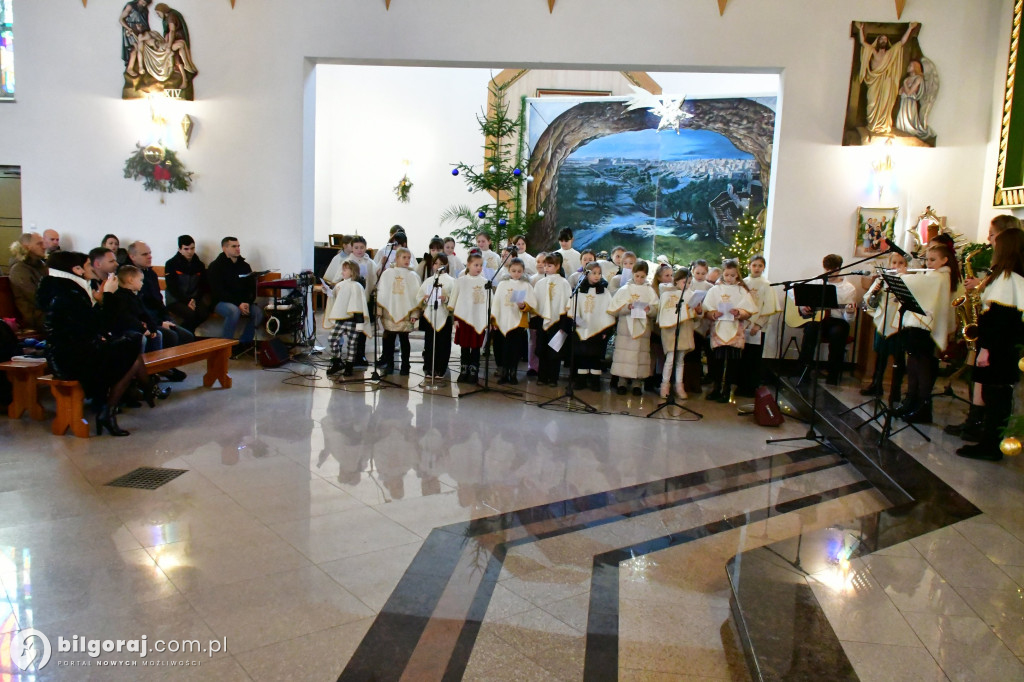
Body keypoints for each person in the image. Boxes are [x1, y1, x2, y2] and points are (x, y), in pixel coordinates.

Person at [36, 251, 163, 436]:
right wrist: (109, 295)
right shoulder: (68, 294)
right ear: (77, 269)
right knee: (131, 349)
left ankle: (115, 407)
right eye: (88, 265)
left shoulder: (67, 288)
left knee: (131, 347)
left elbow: (91, 325)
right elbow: (99, 323)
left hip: (78, 350)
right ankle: (134, 395)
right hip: (70, 359)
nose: (91, 268)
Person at [947, 215, 1023, 439]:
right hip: (997, 344)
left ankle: (987, 438)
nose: (990, 241)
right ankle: (979, 427)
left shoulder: (1009, 278)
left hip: (998, 346)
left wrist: (986, 348)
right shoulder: (1007, 276)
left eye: (993, 237)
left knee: (996, 393)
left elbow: (1000, 318)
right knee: (991, 389)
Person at [895, 242, 959, 423]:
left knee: (922, 366)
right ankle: (911, 399)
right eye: (927, 259)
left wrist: (903, 276)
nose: (928, 263)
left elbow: (918, 284)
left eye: (933, 259)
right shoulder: (935, 275)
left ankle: (922, 406)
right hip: (918, 325)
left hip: (925, 327)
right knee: (914, 364)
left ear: (945, 260)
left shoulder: (941, 276)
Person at [797, 254, 858, 386]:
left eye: (833, 270)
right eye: (827, 269)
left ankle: (833, 375)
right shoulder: (816, 281)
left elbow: (848, 319)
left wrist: (850, 312)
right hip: (818, 319)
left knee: (838, 333)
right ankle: (804, 372)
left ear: (839, 269)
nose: (829, 273)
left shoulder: (848, 288)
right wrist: (802, 306)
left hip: (837, 320)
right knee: (810, 329)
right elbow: (794, 293)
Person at [702, 260, 758, 403]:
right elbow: (707, 309)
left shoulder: (741, 291)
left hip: (734, 330)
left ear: (737, 276)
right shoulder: (715, 290)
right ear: (723, 274)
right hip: (719, 328)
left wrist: (738, 312)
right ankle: (716, 388)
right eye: (727, 275)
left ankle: (727, 390)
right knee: (717, 361)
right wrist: (714, 314)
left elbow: (748, 311)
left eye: (732, 275)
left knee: (732, 362)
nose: (729, 278)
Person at [129, 241, 195, 357]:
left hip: (157, 317)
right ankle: (158, 368)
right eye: (145, 254)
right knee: (170, 335)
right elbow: (140, 308)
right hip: (145, 321)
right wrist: (159, 323)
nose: (150, 257)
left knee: (187, 336)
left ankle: (168, 365)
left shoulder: (150, 273)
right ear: (132, 256)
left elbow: (158, 300)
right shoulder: (130, 277)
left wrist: (167, 318)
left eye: (150, 253)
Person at [855, 21, 920, 136]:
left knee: (885, 104)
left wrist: (910, 28)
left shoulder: (890, 53)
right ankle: (872, 125)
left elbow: (902, 42)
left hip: (886, 83)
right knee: (872, 103)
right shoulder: (874, 52)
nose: (883, 41)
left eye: (885, 39)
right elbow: (862, 42)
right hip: (874, 82)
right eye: (881, 39)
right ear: (878, 41)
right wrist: (860, 29)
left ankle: (883, 126)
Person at [860, 251, 908, 399]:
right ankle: (876, 384)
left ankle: (896, 389)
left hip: (900, 324)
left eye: (901, 263)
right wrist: (875, 293)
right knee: (881, 355)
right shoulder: (882, 279)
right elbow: (870, 301)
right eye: (894, 263)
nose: (897, 266)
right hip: (883, 320)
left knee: (899, 358)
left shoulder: (909, 279)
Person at [608, 260, 659, 396]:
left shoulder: (649, 291)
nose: (639, 279)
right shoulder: (625, 289)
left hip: (643, 328)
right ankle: (622, 382)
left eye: (642, 277)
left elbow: (656, 309)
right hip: (626, 328)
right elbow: (614, 309)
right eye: (637, 276)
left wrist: (649, 309)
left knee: (640, 355)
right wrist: (627, 307)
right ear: (633, 274)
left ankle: (637, 383)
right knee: (625, 355)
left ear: (646, 276)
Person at [207, 236, 263, 355]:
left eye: (238, 246)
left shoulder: (245, 266)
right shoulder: (216, 266)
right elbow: (218, 291)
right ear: (224, 248)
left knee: (258, 312)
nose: (238, 249)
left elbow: (251, 288)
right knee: (234, 311)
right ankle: (225, 347)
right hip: (221, 302)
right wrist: (239, 304)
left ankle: (244, 344)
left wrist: (247, 302)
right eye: (234, 246)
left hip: (243, 302)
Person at [738, 255, 781, 396]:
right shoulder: (743, 282)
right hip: (743, 325)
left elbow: (768, 307)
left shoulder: (767, 284)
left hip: (757, 327)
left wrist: (758, 324)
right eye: (754, 265)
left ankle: (751, 387)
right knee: (742, 357)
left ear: (764, 267)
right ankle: (740, 385)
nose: (756, 268)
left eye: (760, 266)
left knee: (754, 358)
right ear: (749, 266)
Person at [375, 247, 421, 376]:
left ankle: (405, 365)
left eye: (408, 258)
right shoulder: (387, 273)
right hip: (389, 312)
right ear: (396, 258)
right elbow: (381, 292)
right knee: (389, 340)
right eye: (404, 257)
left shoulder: (413, 276)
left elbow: (416, 296)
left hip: (406, 314)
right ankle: (389, 364)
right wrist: (379, 310)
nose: (407, 260)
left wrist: (415, 314)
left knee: (404, 340)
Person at [492, 258, 537, 385]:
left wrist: (523, 306)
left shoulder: (526, 285)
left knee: (514, 350)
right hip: (502, 321)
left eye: (519, 271)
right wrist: (494, 321)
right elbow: (497, 303)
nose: (516, 273)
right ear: (509, 270)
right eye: (513, 271)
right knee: (504, 349)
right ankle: (504, 374)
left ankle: (513, 374)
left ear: (523, 271)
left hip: (518, 323)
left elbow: (532, 304)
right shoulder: (502, 284)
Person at [572, 262, 615, 391]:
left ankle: (595, 381)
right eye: (594, 273)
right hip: (582, 328)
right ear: (587, 274)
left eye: (599, 273)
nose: (597, 276)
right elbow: (573, 307)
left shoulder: (604, 292)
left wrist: (605, 329)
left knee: (595, 355)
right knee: (582, 354)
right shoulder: (579, 290)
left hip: (598, 329)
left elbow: (608, 311)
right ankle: (581, 380)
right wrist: (577, 321)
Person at [323, 260, 369, 378]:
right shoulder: (340, 285)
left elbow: (358, 304)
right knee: (332, 338)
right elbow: (335, 297)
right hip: (340, 319)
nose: (342, 272)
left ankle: (349, 365)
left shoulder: (356, 286)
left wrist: (360, 323)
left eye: (345, 269)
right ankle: (337, 361)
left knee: (352, 344)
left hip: (352, 320)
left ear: (352, 271)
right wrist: (328, 292)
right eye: (342, 269)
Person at [448, 252, 490, 384]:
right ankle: (464, 370)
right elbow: (454, 300)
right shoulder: (461, 281)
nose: (478, 268)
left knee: (476, 347)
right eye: (476, 265)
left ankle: (474, 372)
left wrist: (489, 320)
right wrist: (455, 319)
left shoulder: (485, 282)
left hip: (478, 319)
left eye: (481, 265)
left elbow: (489, 301)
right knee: (464, 346)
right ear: (469, 265)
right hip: (463, 319)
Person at [532, 252, 571, 387]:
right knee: (542, 349)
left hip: (558, 321)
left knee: (555, 350)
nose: (547, 268)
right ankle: (542, 376)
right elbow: (536, 302)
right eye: (545, 265)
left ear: (558, 266)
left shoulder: (564, 283)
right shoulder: (540, 283)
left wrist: (564, 324)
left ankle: (553, 378)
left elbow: (567, 303)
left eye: (550, 265)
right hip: (543, 320)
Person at [658, 267, 697, 399]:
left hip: (685, 330)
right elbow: (665, 311)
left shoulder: (691, 294)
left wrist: (696, 309)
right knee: (670, 360)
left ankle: (679, 385)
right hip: (671, 331)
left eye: (690, 282)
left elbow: (696, 314)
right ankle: (665, 385)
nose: (687, 285)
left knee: (680, 360)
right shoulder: (667, 294)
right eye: (684, 282)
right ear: (677, 281)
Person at [104, 265, 163, 352]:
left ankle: (156, 362)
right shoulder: (120, 296)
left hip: (136, 326)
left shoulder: (135, 296)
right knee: (140, 338)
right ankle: (139, 363)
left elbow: (144, 313)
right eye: (141, 280)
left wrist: (152, 327)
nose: (142, 283)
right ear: (130, 280)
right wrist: (142, 329)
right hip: (124, 329)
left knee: (158, 334)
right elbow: (126, 317)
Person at [418, 254, 455, 379]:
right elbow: (419, 297)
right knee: (429, 343)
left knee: (443, 344)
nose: (438, 266)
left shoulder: (451, 281)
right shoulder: (429, 280)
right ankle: (429, 368)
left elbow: (455, 300)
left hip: (444, 316)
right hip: (430, 316)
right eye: (436, 263)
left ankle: (441, 368)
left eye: (441, 263)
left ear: (446, 265)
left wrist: (446, 299)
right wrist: (424, 299)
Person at [164, 234, 211, 333]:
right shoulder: (171, 264)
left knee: (204, 313)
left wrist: (194, 300)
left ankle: (180, 334)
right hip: (175, 300)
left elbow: (203, 286)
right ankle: (185, 336)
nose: (190, 252)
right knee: (191, 314)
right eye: (186, 249)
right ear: (180, 249)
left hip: (194, 298)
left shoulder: (199, 264)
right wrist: (187, 301)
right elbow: (172, 287)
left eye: (192, 248)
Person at [8, 232, 48, 330]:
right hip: (35, 316)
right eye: (39, 244)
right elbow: (35, 297)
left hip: (45, 311)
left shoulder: (41, 265)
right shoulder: (19, 269)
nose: (44, 247)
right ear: (27, 247)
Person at [685, 259, 714, 392]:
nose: (700, 276)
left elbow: (710, 306)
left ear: (707, 273)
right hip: (688, 322)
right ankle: (685, 382)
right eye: (697, 272)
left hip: (701, 325)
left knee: (696, 354)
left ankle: (695, 382)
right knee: (687, 353)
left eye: (703, 273)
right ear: (692, 271)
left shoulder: (710, 288)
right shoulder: (688, 284)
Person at [153, 4, 197, 89]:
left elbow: (172, 31)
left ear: (162, 11)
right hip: (171, 42)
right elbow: (169, 32)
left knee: (181, 47)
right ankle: (186, 72)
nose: (158, 16)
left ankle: (187, 67)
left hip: (175, 39)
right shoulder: (168, 17)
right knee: (178, 58)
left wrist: (169, 45)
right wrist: (167, 43)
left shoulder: (171, 16)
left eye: (158, 13)